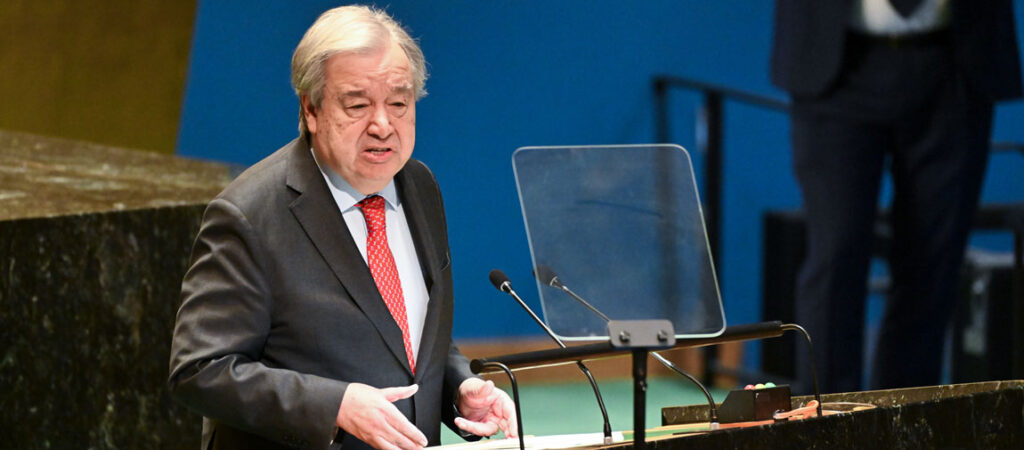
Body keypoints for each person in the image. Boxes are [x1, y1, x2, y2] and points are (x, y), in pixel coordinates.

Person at [168, 5, 517, 449]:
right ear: (311, 109)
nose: (382, 125)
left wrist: (459, 388)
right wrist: (334, 406)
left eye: (399, 103)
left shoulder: (420, 186)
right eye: (358, 105)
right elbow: (200, 369)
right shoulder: (249, 215)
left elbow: (407, 338)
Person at [771, 0, 1022, 393]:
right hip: (835, 63)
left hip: (957, 60)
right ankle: (828, 421)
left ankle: (905, 419)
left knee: (934, 266)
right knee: (836, 256)